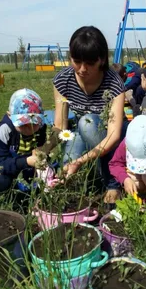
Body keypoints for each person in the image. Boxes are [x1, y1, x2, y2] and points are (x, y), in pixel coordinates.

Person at [52, 26, 126, 204]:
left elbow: (113, 136)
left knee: (87, 122)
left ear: (101, 60)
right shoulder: (63, 80)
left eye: (90, 64)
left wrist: (81, 161)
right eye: (77, 61)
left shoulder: (113, 83)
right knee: (67, 163)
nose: (82, 69)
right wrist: (43, 152)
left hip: (112, 138)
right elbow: (60, 126)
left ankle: (113, 183)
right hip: (81, 131)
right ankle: (69, 189)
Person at [0, 88, 46, 201]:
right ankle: (5, 200)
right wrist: (25, 162)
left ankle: (32, 196)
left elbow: (40, 149)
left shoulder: (41, 127)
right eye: (23, 124)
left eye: (33, 123)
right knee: (0, 182)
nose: (29, 129)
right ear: (10, 116)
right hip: (4, 170)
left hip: (27, 169)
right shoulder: (4, 131)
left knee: (51, 174)